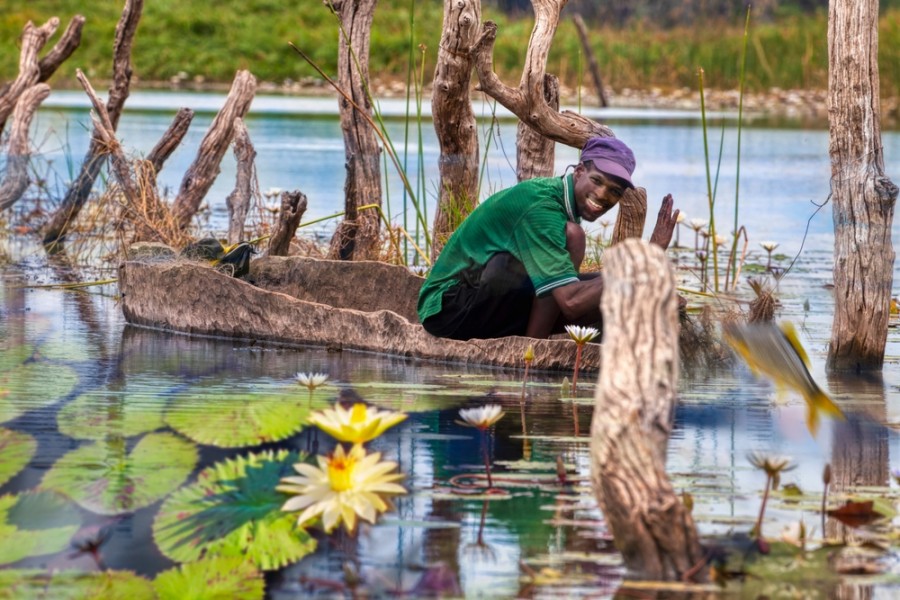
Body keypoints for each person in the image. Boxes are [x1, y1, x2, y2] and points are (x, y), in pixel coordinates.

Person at [417, 136, 679, 340]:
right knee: (572, 243)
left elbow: (567, 295)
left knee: (606, 278)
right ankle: (533, 347)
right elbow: (572, 303)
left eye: (614, 191)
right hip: (447, 310)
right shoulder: (541, 206)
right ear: (579, 172)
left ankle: (533, 345)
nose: (602, 195)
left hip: (485, 302)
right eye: (597, 180)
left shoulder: (562, 206)